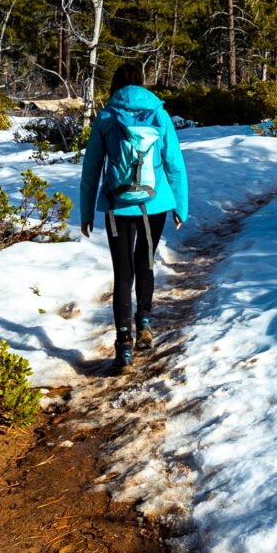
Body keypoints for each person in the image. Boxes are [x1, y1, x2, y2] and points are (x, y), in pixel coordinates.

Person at [76, 61, 187, 373]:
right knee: (146, 263)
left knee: (123, 274)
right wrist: (180, 206)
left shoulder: (107, 117)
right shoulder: (159, 114)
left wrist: (86, 211)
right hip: (155, 203)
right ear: (142, 83)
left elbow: (91, 169)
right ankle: (145, 325)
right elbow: (174, 163)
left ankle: (123, 347)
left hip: (117, 204)